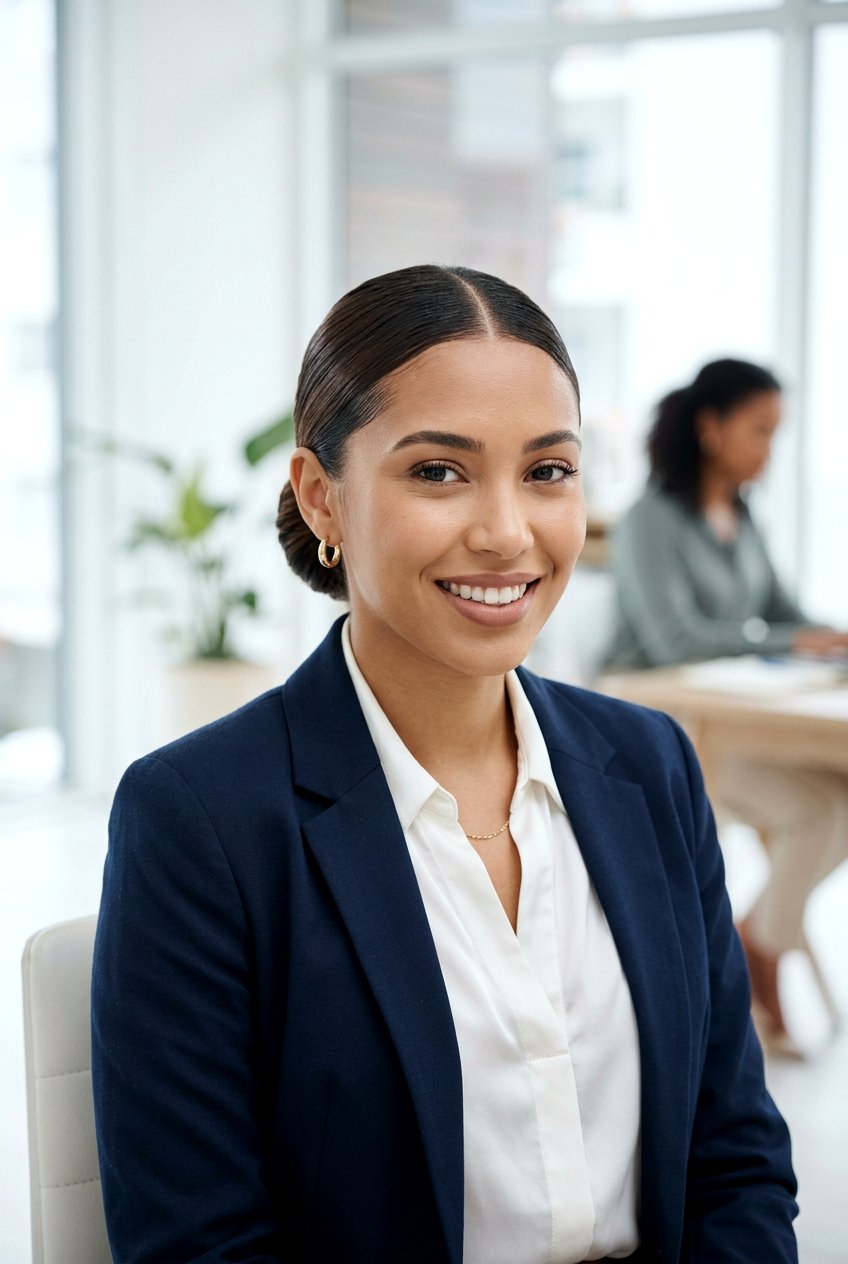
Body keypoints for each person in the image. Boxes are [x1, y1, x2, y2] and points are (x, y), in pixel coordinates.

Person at [92, 271, 798, 1264]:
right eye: (437, 471)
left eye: (546, 470)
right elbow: (197, 1241)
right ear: (318, 494)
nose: (506, 531)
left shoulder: (650, 767)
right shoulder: (199, 817)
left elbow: (732, 1159)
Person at [605, 358, 848, 1044]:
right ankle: (759, 946)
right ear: (711, 428)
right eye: (761, 430)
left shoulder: (741, 514)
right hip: (661, 730)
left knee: (841, 796)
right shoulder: (651, 519)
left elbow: (787, 614)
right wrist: (795, 641)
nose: (771, 450)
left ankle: (757, 938)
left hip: (733, 723)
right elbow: (676, 640)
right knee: (815, 809)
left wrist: (825, 636)